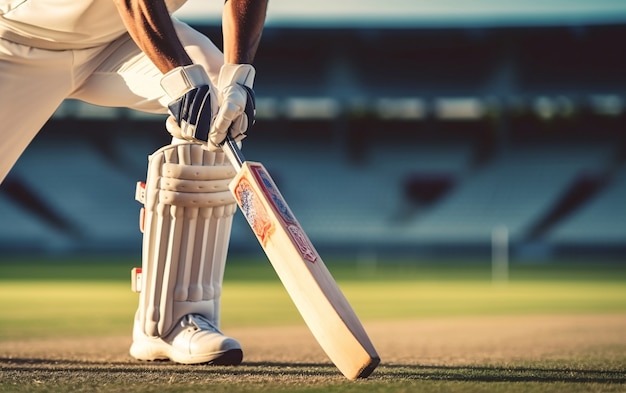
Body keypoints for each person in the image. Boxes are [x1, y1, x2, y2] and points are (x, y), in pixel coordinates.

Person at [0, 0, 268, 366]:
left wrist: (239, 74)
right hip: (16, 39)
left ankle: (172, 321)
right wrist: (178, 75)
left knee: (217, 97)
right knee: (195, 91)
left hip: (118, 37)